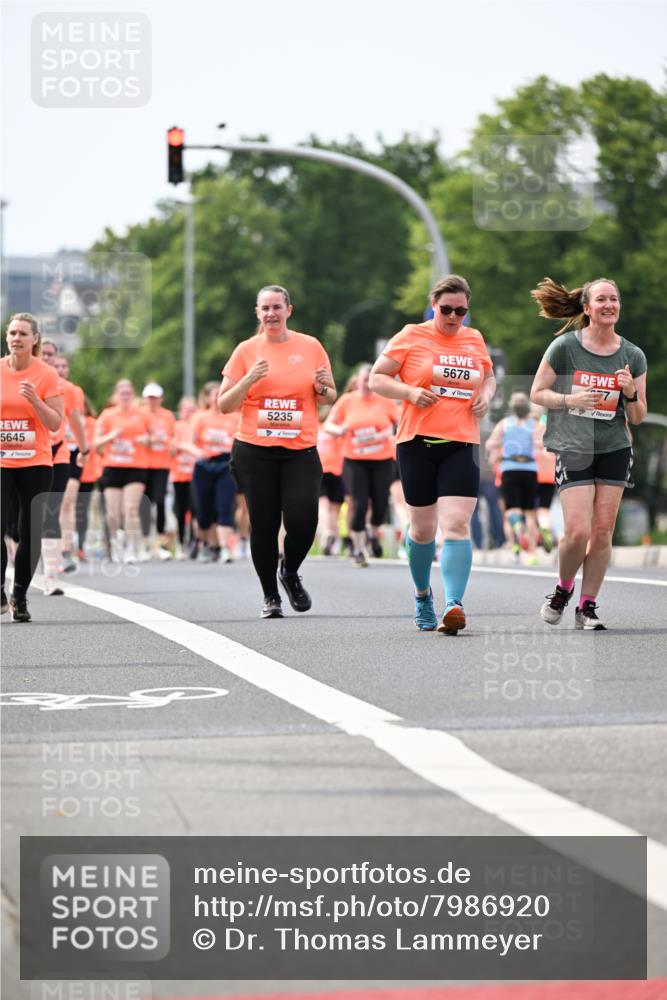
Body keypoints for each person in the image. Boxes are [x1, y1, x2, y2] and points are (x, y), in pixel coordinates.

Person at [369, 274, 496, 633]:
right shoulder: (412, 335)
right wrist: (409, 393)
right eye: (446, 310)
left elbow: (487, 377)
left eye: (461, 311)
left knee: (456, 524)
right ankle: (423, 594)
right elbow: (377, 378)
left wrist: (486, 394)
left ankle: (454, 604)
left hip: (462, 442)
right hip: (417, 443)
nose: (454, 318)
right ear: (433, 305)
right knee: (423, 531)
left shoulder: (474, 339)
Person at [530, 276, 647, 629]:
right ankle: (564, 589)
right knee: (576, 532)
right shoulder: (565, 347)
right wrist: (569, 399)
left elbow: (639, 417)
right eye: (601, 300)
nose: (609, 305)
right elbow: (538, 392)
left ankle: (587, 606)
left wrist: (629, 393)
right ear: (587, 308)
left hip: (614, 446)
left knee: (600, 533)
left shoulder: (632, 355)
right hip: (574, 446)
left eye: (614, 299)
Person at [219, 284, 336, 618]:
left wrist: (322, 388)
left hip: (300, 449)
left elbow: (329, 394)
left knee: (304, 517)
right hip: (255, 449)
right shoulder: (246, 351)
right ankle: (270, 596)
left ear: (288, 310)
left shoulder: (310, 346)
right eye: (264, 308)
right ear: (257, 313)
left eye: (276, 307)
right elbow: (225, 404)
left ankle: (290, 571)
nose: (271, 313)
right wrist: (248, 380)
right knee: (265, 524)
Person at [1, 314, 63, 622]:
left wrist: (35, 400)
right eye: (12, 332)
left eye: (23, 333)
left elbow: (55, 422)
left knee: (31, 532)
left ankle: (19, 594)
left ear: (35, 339)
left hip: (35, 461)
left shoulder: (46, 374)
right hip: (1, 461)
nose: (16, 338)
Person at [324, 363, 397, 566]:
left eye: (369, 381)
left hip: (382, 460)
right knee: (358, 503)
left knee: (380, 503)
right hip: (354, 460)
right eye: (362, 380)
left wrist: (392, 435)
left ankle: (373, 533)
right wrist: (339, 430)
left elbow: (401, 422)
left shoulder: (385, 401)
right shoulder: (347, 401)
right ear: (357, 382)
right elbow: (329, 424)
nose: (365, 384)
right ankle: (358, 548)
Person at [40, 342, 87, 594]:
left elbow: (76, 420)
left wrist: (84, 449)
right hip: (25, 454)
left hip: (58, 450)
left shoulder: (67, 388)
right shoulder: (18, 377)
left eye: (51, 354)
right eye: (43, 353)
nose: (47, 357)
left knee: (52, 510)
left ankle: (50, 577)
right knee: (18, 520)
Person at [94, 379, 150, 563]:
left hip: (136, 467)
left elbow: (155, 438)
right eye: (122, 393)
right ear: (116, 396)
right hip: (113, 467)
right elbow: (95, 443)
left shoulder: (142, 415)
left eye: (128, 393)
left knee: (131, 509)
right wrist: (111, 436)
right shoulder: (108, 415)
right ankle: (116, 543)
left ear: (133, 395)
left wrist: (146, 440)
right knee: (113, 512)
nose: (125, 397)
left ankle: (131, 548)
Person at [189, 381, 239, 563]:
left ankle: (225, 548)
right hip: (204, 465)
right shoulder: (200, 418)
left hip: (225, 464)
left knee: (225, 507)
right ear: (207, 397)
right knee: (203, 513)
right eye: (215, 394)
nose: (218, 397)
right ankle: (208, 545)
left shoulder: (234, 417)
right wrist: (198, 452)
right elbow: (189, 442)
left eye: (222, 393)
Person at [485, 391, 538, 558]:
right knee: (530, 512)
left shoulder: (505, 424)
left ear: (512, 408)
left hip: (509, 468)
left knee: (511, 510)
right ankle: (532, 552)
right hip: (530, 468)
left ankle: (515, 532)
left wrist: (504, 442)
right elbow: (543, 444)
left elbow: (489, 444)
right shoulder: (533, 424)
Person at [140, 383, 176, 560]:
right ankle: (145, 543)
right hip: (143, 464)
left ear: (161, 399)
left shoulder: (168, 416)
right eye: (149, 397)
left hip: (162, 464)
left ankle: (160, 543)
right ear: (144, 398)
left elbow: (172, 437)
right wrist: (148, 439)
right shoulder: (140, 414)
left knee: (160, 501)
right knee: (144, 503)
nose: (152, 401)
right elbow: (138, 437)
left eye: (155, 397)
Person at [170, 396, 197, 559]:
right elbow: (171, 449)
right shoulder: (176, 427)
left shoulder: (198, 425)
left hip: (196, 474)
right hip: (179, 473)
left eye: (192, 410)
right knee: (180, 510)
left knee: (195, 510)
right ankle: (181, 543)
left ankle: (194, 542)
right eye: (186, 410)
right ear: (180, 411)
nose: (189, 413)